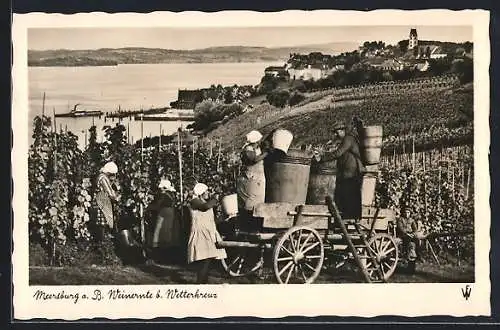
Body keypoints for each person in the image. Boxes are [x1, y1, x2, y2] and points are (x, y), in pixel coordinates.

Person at [313, 122, 364, 219]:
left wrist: (322, 158)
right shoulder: (347, 139)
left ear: (342, 130)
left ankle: (350, 217)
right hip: (348, 172)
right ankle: (346, 217)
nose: (336, 135)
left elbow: (338, 153)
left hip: (351, 172)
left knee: (348, 193)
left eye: (337, 132)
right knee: (345, 193)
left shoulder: (348, 139)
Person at [187, 183, 227, 284]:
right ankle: (201, 283)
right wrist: (215, 198)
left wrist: (224, 218)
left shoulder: (204, 202)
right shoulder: (194, 202)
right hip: (200, 234)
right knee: (204, 260)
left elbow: (212, 220)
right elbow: (205, 207)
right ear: (201, 193)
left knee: (207, 260)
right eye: (206, 192)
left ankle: (202, 282)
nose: (208, 193)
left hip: (208, 233)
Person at [236, 130, 272, 232]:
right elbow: (254, 160)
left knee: (256, 204)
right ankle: (250, 227)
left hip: (256, 179)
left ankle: (251, 226)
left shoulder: (255, 148)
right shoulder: (248, 149)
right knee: (251, 205)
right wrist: (266, 153)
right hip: (251, 180)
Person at [145, 179, 181, 263]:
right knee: (166, 234)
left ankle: (159, 257)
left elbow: (158, 206)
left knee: (159, 234)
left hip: (164, 214)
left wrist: (148, 208)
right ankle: (166, 257)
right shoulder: (171, 195)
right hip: (169, 213)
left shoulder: (164, 196)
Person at [92, 161, 121, 241]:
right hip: (100, 202)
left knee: (102, 223)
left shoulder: (102, 177)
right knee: (101, 224)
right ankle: (101, 244)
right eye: (112, 174)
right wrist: (117, 198)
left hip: (101, 202)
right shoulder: (103, 179)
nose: (113, 176)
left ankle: (102, 243)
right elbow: (109, 192)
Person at [397, 207, 427, 274]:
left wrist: (413, 234)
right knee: (411, 243)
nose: (407, 214)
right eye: (405, 212)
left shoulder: (412, 220)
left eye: (408, 212)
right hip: (403, 235)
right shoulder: (400, 219)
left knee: (416, 240)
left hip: (411, 235)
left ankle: (418, 254)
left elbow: (415, 229)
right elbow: (400, 228)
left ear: (410, 213)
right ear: (403, 213)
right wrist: (407, 233)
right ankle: (416, 255)